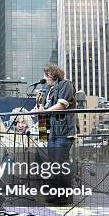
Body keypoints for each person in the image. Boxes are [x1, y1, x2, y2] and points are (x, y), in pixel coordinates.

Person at [35, 64, 76, 204]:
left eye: (46, 75)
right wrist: (43, 135)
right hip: (51, 133)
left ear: (53, 74)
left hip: (63, 133)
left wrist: (44, 111)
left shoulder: (66, 85)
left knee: (60, 164)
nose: (44, 78)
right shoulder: (46, 90)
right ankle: (56, 195)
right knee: (54, 165)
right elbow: (44, 112)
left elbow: (61, 105)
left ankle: (65, 197)